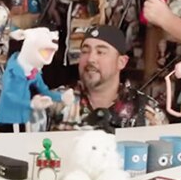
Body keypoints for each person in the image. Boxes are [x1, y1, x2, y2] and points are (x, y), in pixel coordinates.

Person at [33, 25, 165, 131]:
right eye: (85, 51)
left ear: (121, 62)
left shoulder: (147, 111)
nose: (90, 59)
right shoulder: (54, 102)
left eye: (100, 52)